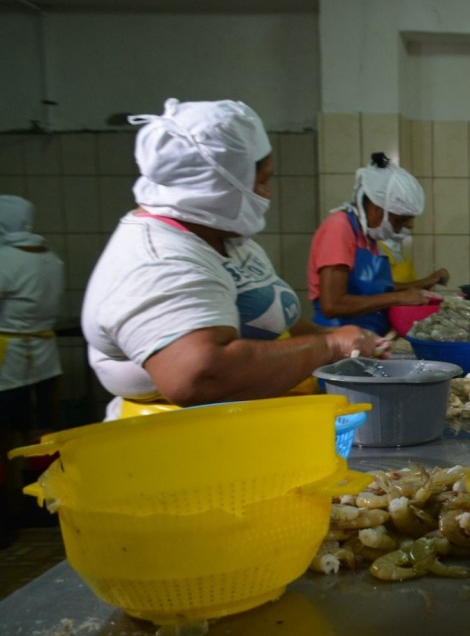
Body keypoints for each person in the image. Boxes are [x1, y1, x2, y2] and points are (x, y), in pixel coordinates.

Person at [82, 98, 378, 420]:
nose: (267, 194)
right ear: (216, 183)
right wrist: (331, 345)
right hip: (178, 443)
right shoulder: (159, 258)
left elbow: (276, 320)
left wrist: (343, 338)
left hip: (248, 425)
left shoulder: (223, 237)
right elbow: (200, 375)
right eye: (261, 182)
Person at [308, 153, 444, 336]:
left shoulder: (367, 237)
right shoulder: (339, 228)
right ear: (376, 208)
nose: (408, 226)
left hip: (371, 337)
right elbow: (332, 304)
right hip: (342, 340)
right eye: (401, 219)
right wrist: (398, 297)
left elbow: (374, 288)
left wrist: (420, 287)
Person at [1, 196, 65, 541]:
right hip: (44, 354)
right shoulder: (50, 259)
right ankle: (42, 504)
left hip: (8, 358)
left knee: (8, 435)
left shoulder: (5, 260)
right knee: (40, 431)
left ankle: (10, 509)